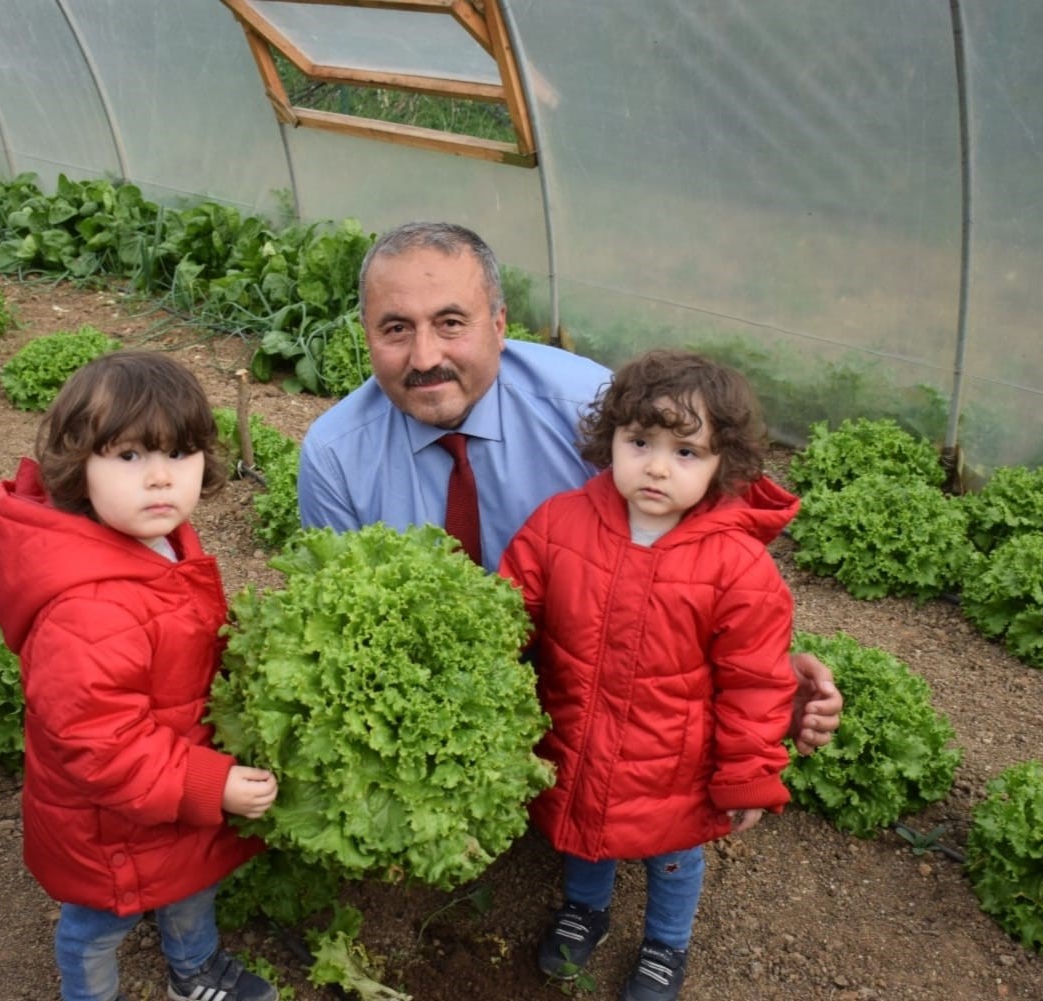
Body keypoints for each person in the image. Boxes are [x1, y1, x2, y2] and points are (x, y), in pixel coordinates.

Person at [297, 221, 843, 755]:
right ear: (366, 332)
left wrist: (766, 669)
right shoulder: (335, 454)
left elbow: (699, 553)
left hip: (595, 685)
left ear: (500, 323)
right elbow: (349, 623)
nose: (424, 357)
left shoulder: (595, 409)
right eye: (395, 329)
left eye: (450, 323)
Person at [499, 348, 799, 1001]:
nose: (658, 465)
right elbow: (507, 609)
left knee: (673, 854)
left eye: (686, 452)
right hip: (577, 735)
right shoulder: (559, 523)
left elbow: (757, 682)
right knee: (584, 833)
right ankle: (585, 910)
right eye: (640, 441)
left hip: (675, 762)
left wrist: (748, 772)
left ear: (725, 465)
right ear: (611, 440)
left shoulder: (739, 566)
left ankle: (666, 944)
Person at [0, 351, 280, 1001]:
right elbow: (102, 743)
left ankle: (193, 969)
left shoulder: (164, 540)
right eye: (129, 457)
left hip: (172, 794)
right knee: (99, 923)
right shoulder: (85, 607)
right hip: (109, 824)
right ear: (75, 465)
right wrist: (212, 781)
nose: (159, 479)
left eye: (179, 454)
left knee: (191, 884)